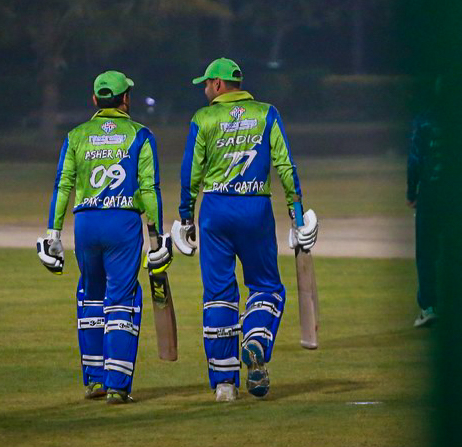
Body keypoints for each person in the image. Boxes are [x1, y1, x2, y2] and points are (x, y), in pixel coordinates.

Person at [176, 57, 318, 402]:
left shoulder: (203, 118)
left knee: (219, 294)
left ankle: (224, 384)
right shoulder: (267, 113)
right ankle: (255, 339)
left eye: (206, 84)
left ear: (218, 84)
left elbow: (190, 172)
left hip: (215, 211)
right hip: (255, 208)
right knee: (267, 286)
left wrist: (185, 216)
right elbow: (285, 165)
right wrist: (297, 216)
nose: (205, 89)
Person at [36, 70, 172, 403]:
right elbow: (150, 188)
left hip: (86, 224)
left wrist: (53, 234)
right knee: (122, 300)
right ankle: (117, 385)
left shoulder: (76, 136)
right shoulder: (140, 135)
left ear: (95, 99)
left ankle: (94, 380)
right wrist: (156, 235)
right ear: (126, 98)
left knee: (91, 296)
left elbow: (62, 185)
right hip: (122, 224)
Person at [407, 81, 443, 328]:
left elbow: (415, 159)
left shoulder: (425, 121)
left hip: (431, 192)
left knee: (427, 252)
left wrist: (412, 192)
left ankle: (428, 307)